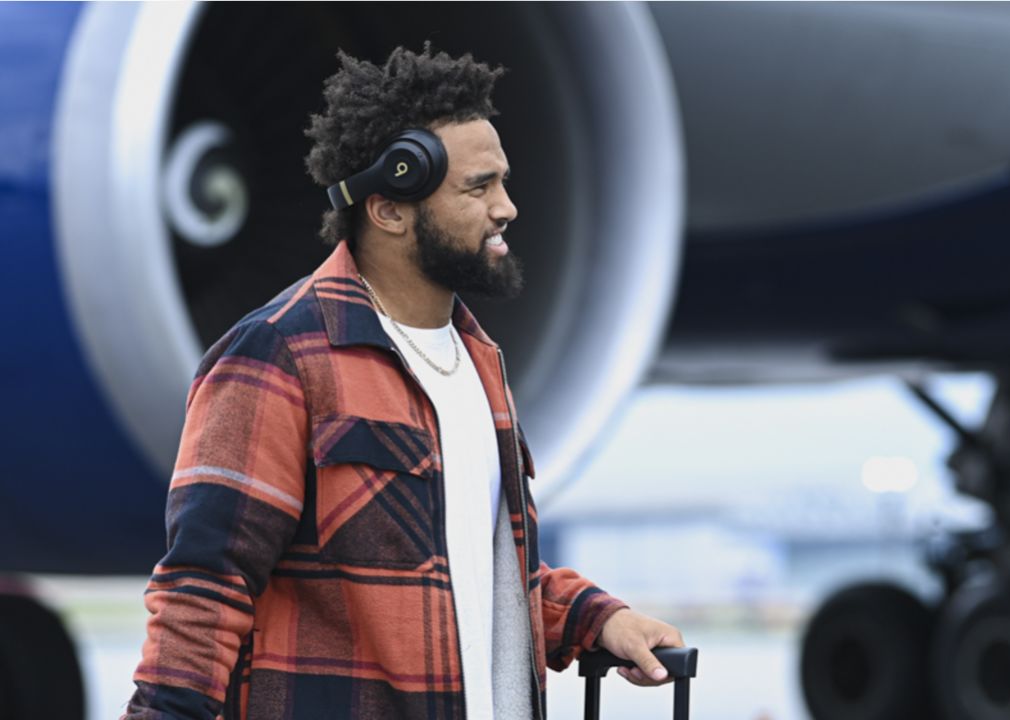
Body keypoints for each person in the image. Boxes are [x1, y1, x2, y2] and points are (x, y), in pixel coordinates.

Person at [123, 43, 683, 720]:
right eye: (478, 188)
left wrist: (596, 620)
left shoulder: (476, 360)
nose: (506, 208)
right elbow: (203, 590)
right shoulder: (278, 355)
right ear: (389, 209)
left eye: (502, 182)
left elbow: (473, 569)